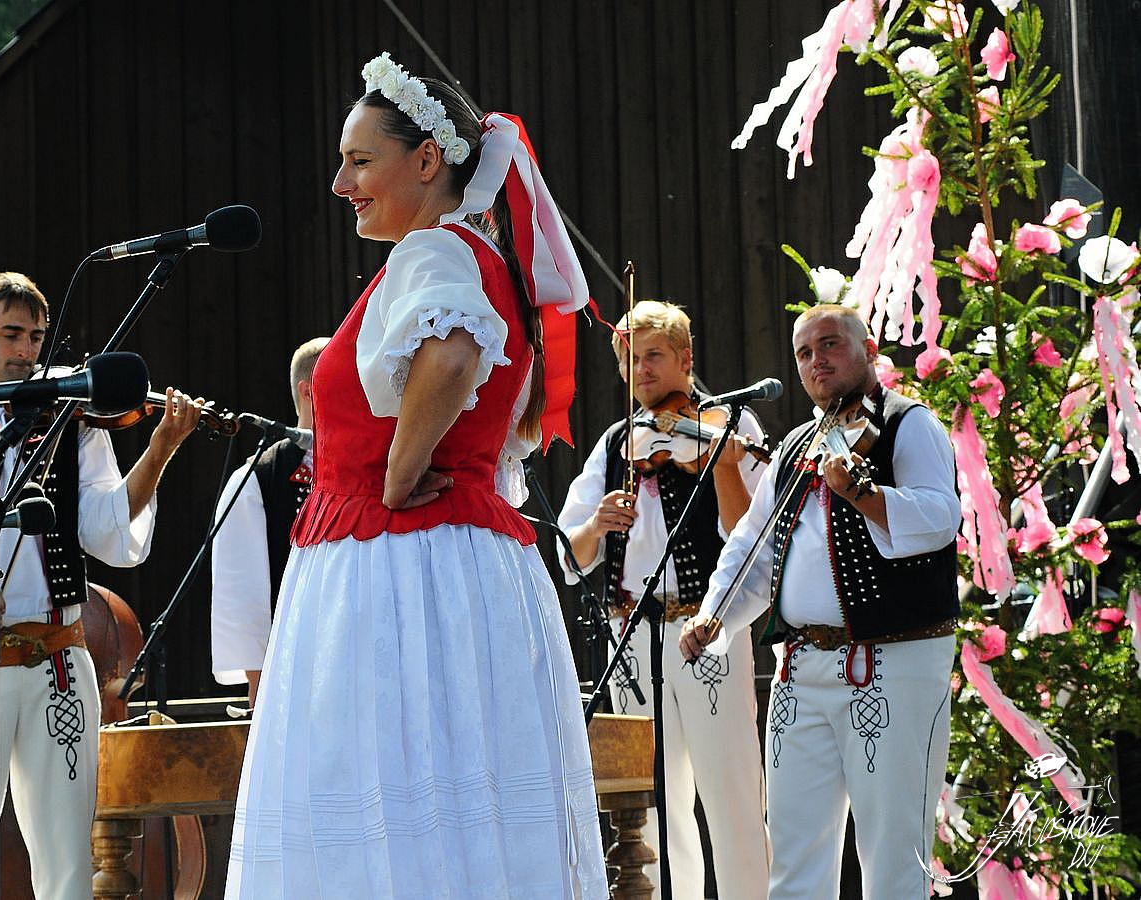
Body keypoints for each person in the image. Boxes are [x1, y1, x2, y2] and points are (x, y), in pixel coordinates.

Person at [226, 55, 607, 898]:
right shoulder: (481, 257)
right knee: (449, 797)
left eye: (360, 161)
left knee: (388, 782)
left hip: (400, 561)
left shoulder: (435, 251)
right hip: (451, 563)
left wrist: (400, 471)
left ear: (428, 160)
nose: (341, 184)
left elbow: (456, 349)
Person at [0, 272, 200, 900]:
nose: (27, 351)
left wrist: (160, 448)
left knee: (67, 854)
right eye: (11, 334)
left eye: (37, 337)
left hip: (57, 659)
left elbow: (107, 530)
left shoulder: (69, 420)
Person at [680, 304, 960, 900]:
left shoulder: (909, 424)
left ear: (869, 349)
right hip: (801, 669)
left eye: (829, 344)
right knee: (793, 855)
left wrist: (863, 494)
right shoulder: (794, 447)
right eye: (804, 353)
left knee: (894, 854)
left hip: (891, 664)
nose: (816, 361)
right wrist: (713, 614)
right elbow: (751, 545)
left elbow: (940, 517)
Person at [557, 299, 770, 899]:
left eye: (653, 355)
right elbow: (571, 556)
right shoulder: (615, 444)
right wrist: (597, 525)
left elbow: (752, 534)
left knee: (729, 790)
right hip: (631, 633)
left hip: (706, 629)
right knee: (651, 801)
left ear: (685, 358)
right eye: (630, 359)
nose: (642, 369)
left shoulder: (729, 426)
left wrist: (722, 464)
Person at [210, 336, 328, 708]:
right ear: (308, 391)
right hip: (292, 668)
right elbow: (242, 597)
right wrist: (260, 689)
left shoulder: (380, 465)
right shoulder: (257, 479)